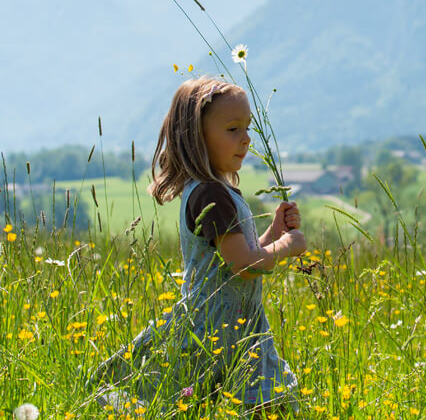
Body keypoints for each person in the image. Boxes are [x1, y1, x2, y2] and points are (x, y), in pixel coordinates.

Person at [91, 77, 305, 417]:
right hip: (219, 333)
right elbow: (246, 266)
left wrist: (272, 233)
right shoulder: (211, 195)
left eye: (247, 128)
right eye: (233, 129)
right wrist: (286, 245)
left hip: (230, 329)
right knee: (266, 404)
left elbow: (233, 263)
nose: (246, 139)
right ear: (197, 137)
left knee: (252, 404)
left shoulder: (213, 190)